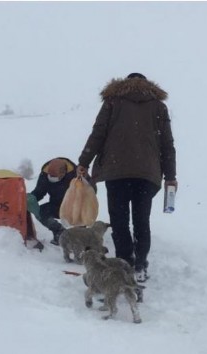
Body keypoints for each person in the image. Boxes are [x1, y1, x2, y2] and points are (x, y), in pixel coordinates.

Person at [76, 73, 177, 283]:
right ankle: (140, 265)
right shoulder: (158, 106)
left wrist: (84, 161)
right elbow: (167, 144)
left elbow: (98, 134)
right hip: (147, 174)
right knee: (142, 221)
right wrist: (170, 176)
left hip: (116, 171)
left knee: (120, 221)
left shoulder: (112, 102)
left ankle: (124, 264)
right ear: (148, 85)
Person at [28, 157, 92, 246]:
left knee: (80, 214)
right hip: (56, 205)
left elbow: (91, 191)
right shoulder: (45, 174)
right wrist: (31, 198)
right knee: (41, 212)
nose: (51, 178)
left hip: (76, 206)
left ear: (63, 172)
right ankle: (59, 232)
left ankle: (81, 237)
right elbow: (40, 191)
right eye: (50, 176)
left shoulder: (76, 174)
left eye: (55, 177)